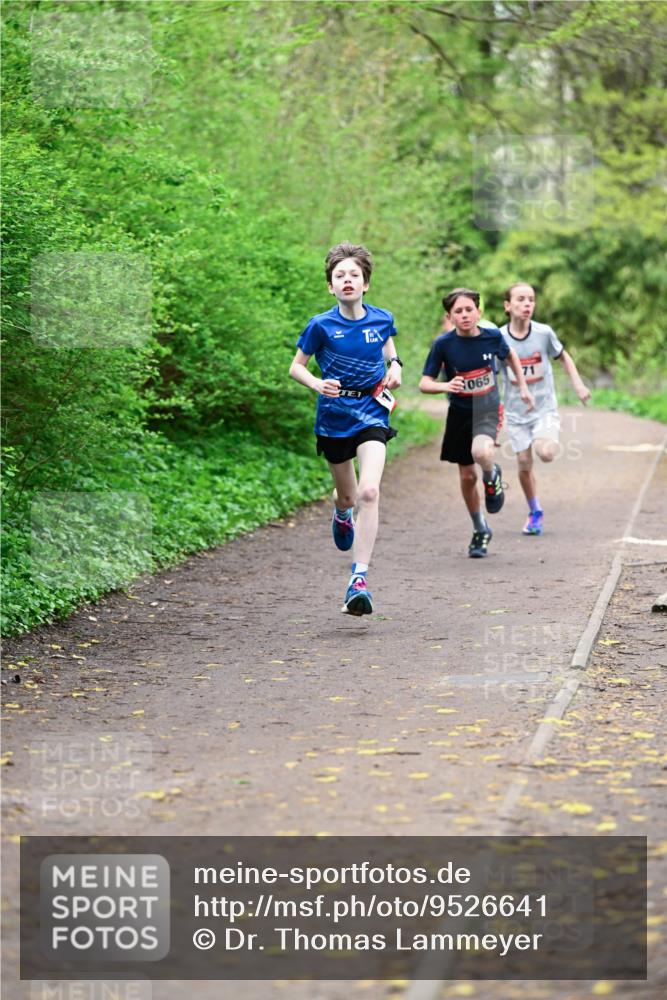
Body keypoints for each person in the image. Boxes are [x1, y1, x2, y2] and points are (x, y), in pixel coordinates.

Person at [289, 242, 401, 615]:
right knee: (349, 498)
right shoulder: (320, 325)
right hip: (334, 417)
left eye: (354, 275)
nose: (347, 280)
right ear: (331, 286)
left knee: (370, 491)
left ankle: (359, 579)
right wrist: (317, 384)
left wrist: (396, 366)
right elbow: (297, 367)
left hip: (372, 412)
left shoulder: (382, 318)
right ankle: (340, 512)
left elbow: (388, 346)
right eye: (340, 276)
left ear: (366, 283)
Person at [419, 287, 534, 558]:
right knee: (467, 476)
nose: (464, 315)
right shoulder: (443, 345)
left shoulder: (492, 337)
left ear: (479, 312)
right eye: (458, 311)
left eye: (469, 309)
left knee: (481, 452)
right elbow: (424, 383)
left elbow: (510, 356)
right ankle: (480, 528)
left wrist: (522, 385)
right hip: (459, 413)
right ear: (450, 317)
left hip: (487, 407)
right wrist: (447, 385)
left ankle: (492, 476)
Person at [499, 282, 591, 536]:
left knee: (547, 452)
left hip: (543, 408)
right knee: (524, 464)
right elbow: (491, 372)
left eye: (531, 299)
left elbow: (564, 357)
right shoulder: (499, 338)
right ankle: (535, 510)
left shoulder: (543, 333)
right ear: (508, 306)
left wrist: (579, 385)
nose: (527, 304)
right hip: (516, 413)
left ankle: (547, 436)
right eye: (520, 299)